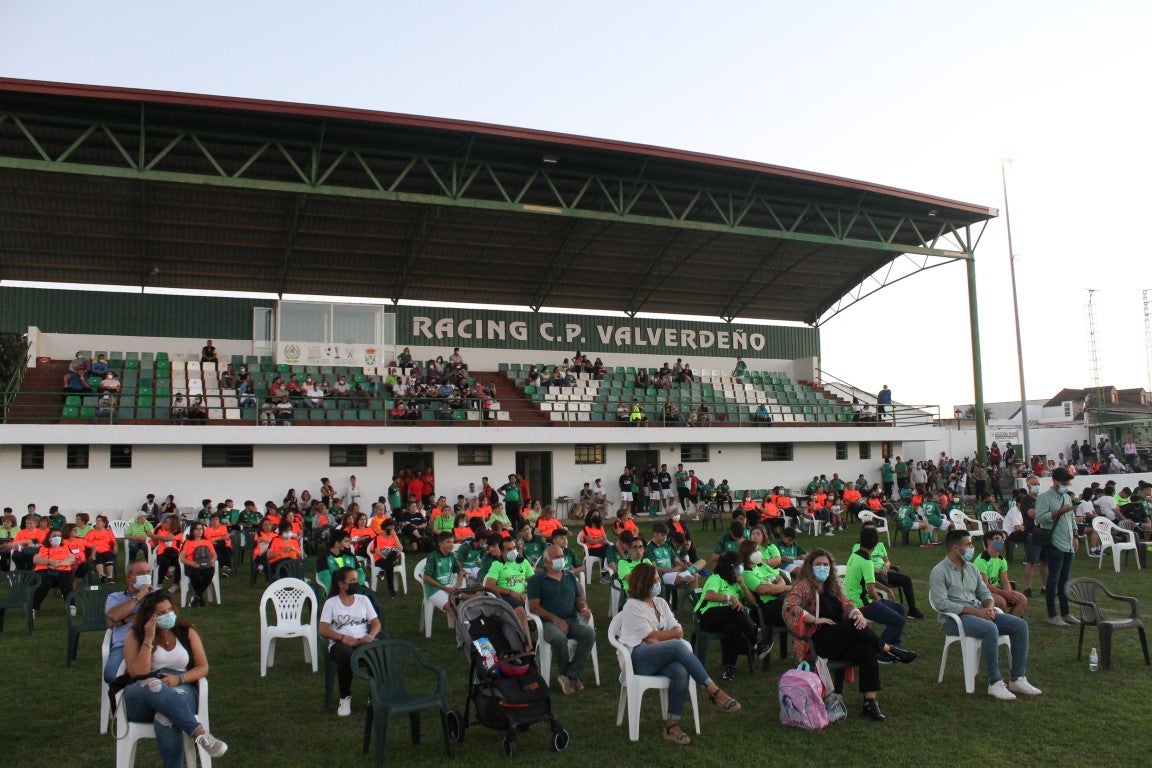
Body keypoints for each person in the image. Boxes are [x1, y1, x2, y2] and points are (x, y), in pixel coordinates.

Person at [783, 549, 916, 722]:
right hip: (820, 639)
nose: (822, 568)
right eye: (818, 565)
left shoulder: (833, 586)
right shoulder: (804, 586)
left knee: (867, 649)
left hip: (840, 637)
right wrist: (815, 620)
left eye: (826, 564)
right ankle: (889, 648)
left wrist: (857, 613)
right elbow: (790, 606)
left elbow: (848, 604)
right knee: (853, 625)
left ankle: (870, 702)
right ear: (810, 566)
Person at [617, 562, 740, 745]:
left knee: (680, 671)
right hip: (638, 657)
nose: (658, 583)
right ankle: (713, 691)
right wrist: (668, 635)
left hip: (659, 654)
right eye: (655, 580)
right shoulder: (632, 606)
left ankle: (672, 726)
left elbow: (677, 628)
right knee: (677, 646)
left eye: (658, 579)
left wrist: (665, 636)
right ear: (643, 583)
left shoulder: (660, 603)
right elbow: (651, 635)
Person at [928, 530, 1041, 701]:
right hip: (953, 619)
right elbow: (941, 604)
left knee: (1020, 625)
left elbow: (985, 593)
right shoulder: (939, 571)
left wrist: (989, 606)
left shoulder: (971, 568)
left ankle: (1018, 678)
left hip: (978, 613)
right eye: (968, 545)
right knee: (989, 628)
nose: (972, 548)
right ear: (955, 548)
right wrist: (976, 611)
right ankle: (994, 682)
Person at [121, 590, 228, 765]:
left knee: (166, 717)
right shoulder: (134, 636)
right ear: (149, 616)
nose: (168, 615)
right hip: (142, 692)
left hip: (181, 686)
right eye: (161, 613)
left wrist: (179, 679)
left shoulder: (186, 631)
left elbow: (203, 667)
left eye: (169, 610)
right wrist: (149, 638)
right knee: (152, 684)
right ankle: (200, 734)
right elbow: (138, 673)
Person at [526, 545, 596, 695]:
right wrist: (555, 619)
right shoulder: (536, 580)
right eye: (556, 557)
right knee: (558, 638)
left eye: (561, 556)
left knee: (589, 633)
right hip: (548, 622)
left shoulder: (570, 577)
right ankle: (570, 676)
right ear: (547, 562)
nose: (561, 560)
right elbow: (533, 608)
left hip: (571, 619)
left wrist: (583, 608)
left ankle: (569, 676)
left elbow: (579, 600)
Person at [319, 566, 382, 717]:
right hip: (340, 643)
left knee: (378, 652)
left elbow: (376, 623)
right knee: (346, 655)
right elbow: (323, 629)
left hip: (363, 640)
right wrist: (342, 638)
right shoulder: (331, 603)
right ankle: (345, 697)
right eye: (352, 581)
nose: (356, 583)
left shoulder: (363, 600)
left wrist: (371, 635)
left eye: (356, 580)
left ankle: (373, 695)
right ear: (341, 584)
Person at [693, 551, 763, 680]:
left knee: (733, 627)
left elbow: (752, 602)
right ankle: (756, 643)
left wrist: (743, 586)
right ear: (732, 567)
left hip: (726, 619)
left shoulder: (736, 582)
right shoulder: (716, 578)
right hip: (707, 616)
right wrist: (730, 598)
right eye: (738, 566)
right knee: (735, 610)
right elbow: (709, 595)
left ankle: (730, 667)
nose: (740, 569)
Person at [844, 527, 910, 657]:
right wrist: (878, 600)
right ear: (876, 545)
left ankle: (894, 645)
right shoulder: (867, 562)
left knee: (900, 609)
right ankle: (880, 653)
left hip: (855, 600)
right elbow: (871, 591)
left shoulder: (854, 555)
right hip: (862, 604)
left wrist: (887, 590)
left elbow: (870, 581)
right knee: (898, 621)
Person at [1035, 467, 1079, 626]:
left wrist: (1075, 535)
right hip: (1054, 543)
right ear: (1054, 481)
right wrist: (1059, 511)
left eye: (1067, 483)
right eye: (1063, 483)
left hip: (1068, 543)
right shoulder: (1044, 497)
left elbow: (1071, 518)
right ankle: (1052, 614)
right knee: (1053, 579)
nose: (1065, 486)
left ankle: (1066, 612)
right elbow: (1040, 518)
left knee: (1065, 580)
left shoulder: (1066, 497)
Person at [103, 560, 157, 682]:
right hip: (123, 644)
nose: (146, 575)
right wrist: (139, 596)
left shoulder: (157, 594)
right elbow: (114, 616)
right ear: (129, 577)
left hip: (155, 641)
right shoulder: (116, 597)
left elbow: (159, 615)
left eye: (148, 572)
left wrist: (125, 619)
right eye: (141, 573)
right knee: (112, 674)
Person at [484, 535, 535, 641]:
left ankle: (541, 637)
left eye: (514, 548)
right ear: (502, 551)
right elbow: (489, 585)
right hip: (505, 597)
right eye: (509, 549)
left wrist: (527, 591)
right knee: (520, 611)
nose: (513, 551)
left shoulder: (523, 562)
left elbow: (533, 581)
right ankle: (527, 644)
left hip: (524, 596)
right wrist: (511, 592)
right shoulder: (497, 564)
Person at [974, 531, 1028, 617]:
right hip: (981, 592)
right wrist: (1005, 594)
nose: (1001, 541)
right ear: (989, 541)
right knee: (1001, 602)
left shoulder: (1002, 560)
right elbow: (984, 586)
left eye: (1002, 539)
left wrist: (1009, 593)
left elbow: (1005, 581)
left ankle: (1011, 623)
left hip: (996, 589)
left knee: (1022, 599)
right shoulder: (981, 560)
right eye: (997, 539)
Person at [32, 527, 75, 610]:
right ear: (49, 538)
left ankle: (71, 606)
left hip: (62, 570)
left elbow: (71, 559)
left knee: (66, 582)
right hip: (44, 571)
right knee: (44, 583)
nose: (57, 537)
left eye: (59, 536)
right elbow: (36, 560)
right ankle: (34, 607)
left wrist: (58, 564)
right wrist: (50, 561)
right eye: (54, 536)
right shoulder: (42, 548)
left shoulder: (65, 548)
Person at [179, 523, 217, 607]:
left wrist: (212, 561)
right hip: (191, 565)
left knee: (210, 572)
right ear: (193, 531)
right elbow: (182, 558)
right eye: (197, 529)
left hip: (206, 565)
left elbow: (214, 555)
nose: (200, 531)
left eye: (201, 529)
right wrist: (191, 564)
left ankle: (196, 597)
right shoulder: (187, 542)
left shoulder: (207, 542)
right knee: (195, 575)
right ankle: (200, 599)